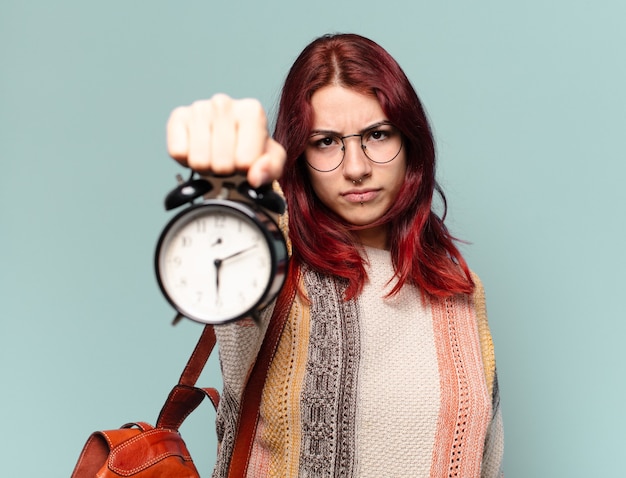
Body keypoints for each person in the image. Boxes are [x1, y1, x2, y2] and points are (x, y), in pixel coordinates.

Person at [166, 33, 504, 478]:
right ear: (298, 155)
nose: (356, 167)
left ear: (411, 140)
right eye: (325, 142)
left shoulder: (459, 289)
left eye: (377, 135)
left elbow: (487, 460)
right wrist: (234, 191)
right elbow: (227, 282)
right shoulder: (276, 263)